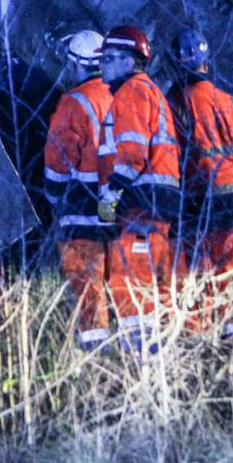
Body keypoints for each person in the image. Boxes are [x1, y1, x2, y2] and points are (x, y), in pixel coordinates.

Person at [168, 28, 233, 339]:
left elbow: (171, 153)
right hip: (231, 195)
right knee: (229, 263)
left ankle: (199, 329)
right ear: (207, 62)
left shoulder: (176, 104)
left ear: (177, 64)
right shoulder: (231, 102)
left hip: (195, 195)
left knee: (196, 265)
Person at [96, 25, 180, 351]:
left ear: (130, 62)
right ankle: (158, 359)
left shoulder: (132, 92)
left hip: (143, 201)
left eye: (109, 58)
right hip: (155, 202)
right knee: (152, 283)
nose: (103, 64)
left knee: (128, 277)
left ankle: (140, 358)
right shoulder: (148, 91)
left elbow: (132, 150)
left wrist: (113, 190)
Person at [44, 30, 114, 351]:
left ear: (75, 64)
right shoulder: (121, 94)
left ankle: (94, 354)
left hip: (81, 208)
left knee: (87, 286)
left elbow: (58, 163)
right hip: (118, 205)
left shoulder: (74, 103)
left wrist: (54, 202)